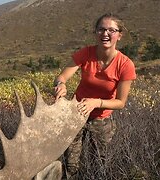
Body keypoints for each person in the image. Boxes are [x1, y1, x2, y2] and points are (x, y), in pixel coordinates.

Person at [54, 13, 136, 179]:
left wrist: (96, 103)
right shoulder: (86, 53)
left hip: (101, 119)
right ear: (95, 33)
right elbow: (61, 77)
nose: (105, 34)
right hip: (76, 114)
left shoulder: (125, 65)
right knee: (70, 164)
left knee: (99, 164)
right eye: (101, 29)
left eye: (111, 30)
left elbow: (120, 102)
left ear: (119, 35)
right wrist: (60, 85)